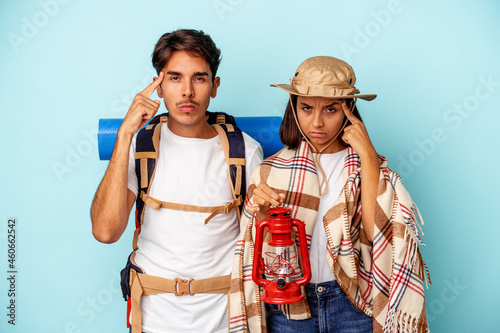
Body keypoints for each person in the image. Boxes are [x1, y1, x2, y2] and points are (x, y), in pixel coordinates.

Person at [229, 56, 429, 333]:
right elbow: (261, 247)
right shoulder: (271, 169)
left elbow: (376, 236)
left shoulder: (365, 167)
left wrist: (369, 157)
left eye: (331, 109)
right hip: (291, 306)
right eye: (307, 108)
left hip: (351, 302)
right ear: (294, 108)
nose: (317, 122)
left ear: (349, 110)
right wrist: (260, 207)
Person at [90, 29, 263, 333]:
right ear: (158, 85)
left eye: (199, 78)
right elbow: (105, 231)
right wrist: (124, 136)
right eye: (174, 78)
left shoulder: (245, 151)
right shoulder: (139, 146)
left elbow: (263, 245)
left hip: (226, 320)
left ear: (214, 86)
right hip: (153, 319)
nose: (187, 91)